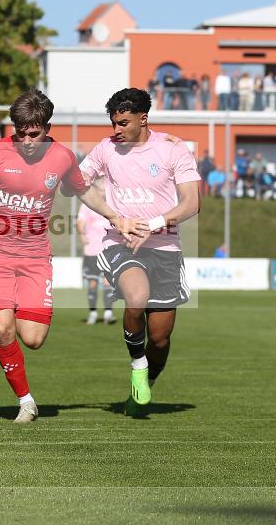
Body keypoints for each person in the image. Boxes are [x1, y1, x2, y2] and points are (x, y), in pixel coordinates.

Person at [0, 90, 93, 424]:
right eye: (19, 132)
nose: (25, 139)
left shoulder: (63, 157)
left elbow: (83, 191)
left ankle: (23, 314)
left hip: (35, 259)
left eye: (33, 133)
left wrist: (117, 216)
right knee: (3, 328)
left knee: (33, 339)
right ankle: (26, 402)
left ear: (47, 127)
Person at [78, 87, 201, 416]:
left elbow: (192, 203)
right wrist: (114, 217)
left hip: (165, 249)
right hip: (120, 242)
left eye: (122, 123)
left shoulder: (174, 150)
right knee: (137, 297)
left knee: (160, 340)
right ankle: (137, 366)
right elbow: (76, 182)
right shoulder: (105, 149)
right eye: (113, 123)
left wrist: (154, 224)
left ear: (143, 119)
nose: (115, 130)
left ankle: (145, 378)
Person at [76, 185, 116, 325]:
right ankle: (93, 313)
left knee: (107, 282)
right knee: (92, 283)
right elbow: (80, 222)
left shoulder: (112, 206)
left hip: (107, 251)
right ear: (96, 191)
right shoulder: (88, 206)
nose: (103, 193)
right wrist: (82, 235)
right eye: (101, 190)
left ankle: (108, 313)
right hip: (92, 251)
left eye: (105, 190)